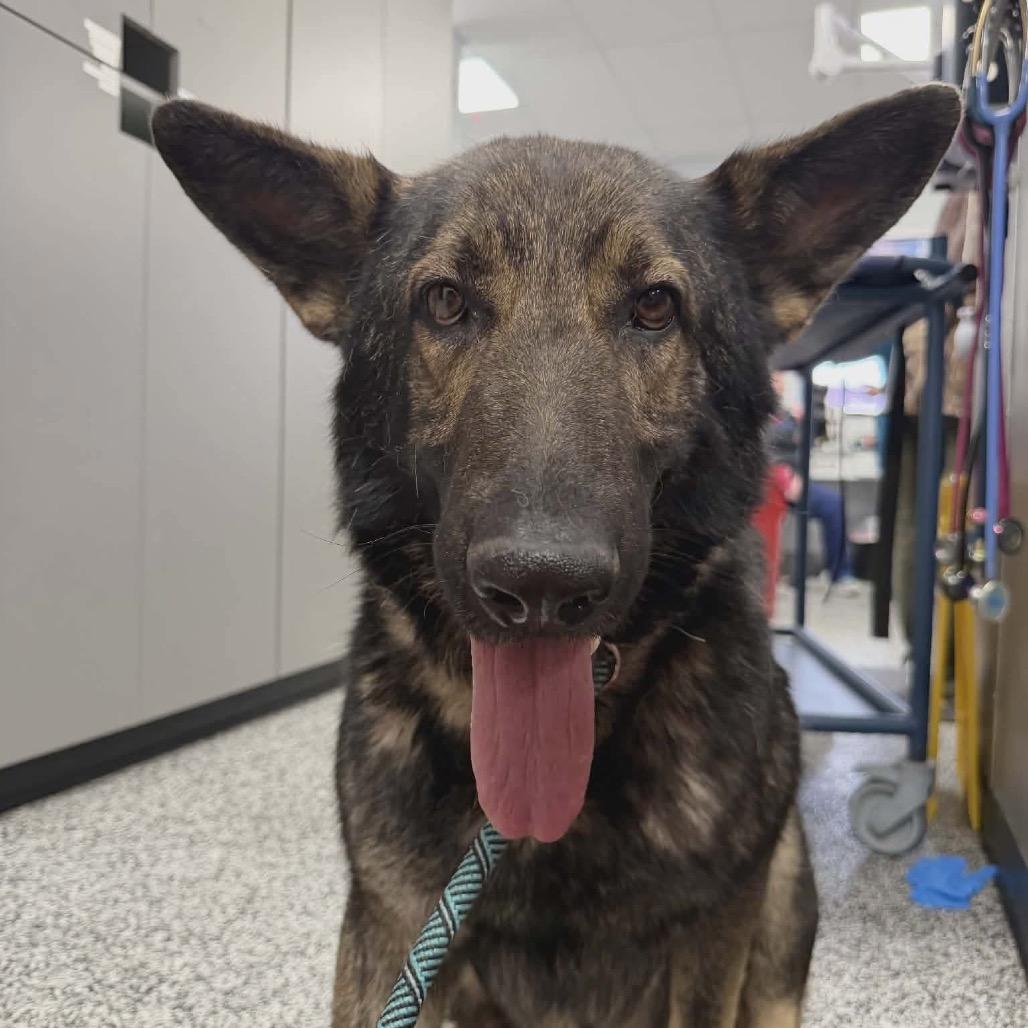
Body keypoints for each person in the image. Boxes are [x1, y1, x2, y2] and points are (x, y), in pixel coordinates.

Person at [768, 371, 860, 596]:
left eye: (780, 379)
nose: (777, 383)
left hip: (791, 484)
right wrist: (785, 477)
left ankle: (839, 573)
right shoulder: (757, 415)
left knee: (833, 505)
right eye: (773, 378)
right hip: (768, 484)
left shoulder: (789, 415)